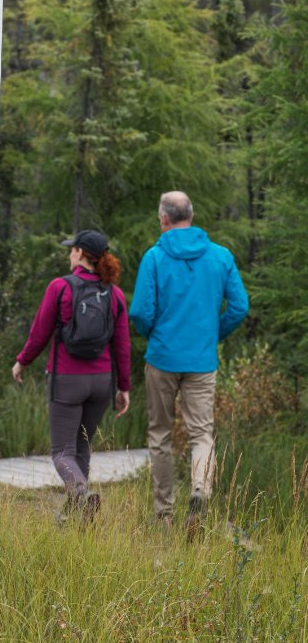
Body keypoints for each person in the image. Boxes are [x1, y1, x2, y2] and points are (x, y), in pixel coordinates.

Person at [129, 191, 249, 532]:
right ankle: (200, 487)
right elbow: (239, 307)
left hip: (163, 358)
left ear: (164, 219)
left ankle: (164, 514)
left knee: (160, 435)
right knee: (201, 434)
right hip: (201, 360)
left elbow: (139, 311)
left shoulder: (154, 258)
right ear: (191, 216)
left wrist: (155, 333)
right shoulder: (221, 257)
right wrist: (213, 334)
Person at [12, 230, 131, 521]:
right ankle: (77, 516)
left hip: (67, 379)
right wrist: (124, 387)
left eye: (71, 249)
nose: (69, 254)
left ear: (79, 253)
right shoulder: (114, 294)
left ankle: (80, 494)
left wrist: (21, 362)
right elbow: (122, 344)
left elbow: (40, 332)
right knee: (81, 446)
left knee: (62, 452)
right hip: (102, 382)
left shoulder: (61, 287)